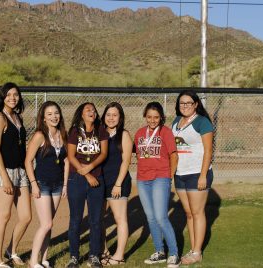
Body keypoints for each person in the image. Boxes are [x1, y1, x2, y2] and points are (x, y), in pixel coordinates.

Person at [0, 82, 31, 268]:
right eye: (8, 94)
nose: (12, 98)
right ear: (2, 97)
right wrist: (5, 178)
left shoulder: (17, 117)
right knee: (4, 215)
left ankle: (10, 251)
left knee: (26, 216)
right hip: (4, 171)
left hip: (21, 171)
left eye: (16, 94)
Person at [134, 102, 180, 268]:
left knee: (161, 217)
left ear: (161, 117)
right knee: (151, 217)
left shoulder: (165, 132)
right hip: (142, 179)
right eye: (149, 117)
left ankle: (174, 253)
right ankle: (160, 251)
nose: (152, 120)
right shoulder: (139, 133)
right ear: (145, 117)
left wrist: (169, 177)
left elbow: (174, 156)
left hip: (160, 177)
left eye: (156, 117)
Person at [25, 101, 69, 268]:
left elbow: (66, 161)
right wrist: (33, 184)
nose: (54, 116)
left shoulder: (62, 135)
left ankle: (44, 258)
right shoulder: (39, 136)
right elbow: (28, 161)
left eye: (56, 113)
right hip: (42, 184)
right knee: (46, 224)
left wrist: (65, 185)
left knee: (50, 223)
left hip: (57, 185)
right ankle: (33, 261)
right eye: (49, 114)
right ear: (43, 118)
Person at [171, 91, 214, 265]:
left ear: (196, 104)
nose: (185, 106)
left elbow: (208, 151)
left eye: (189, 103)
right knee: (189, 213)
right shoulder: (176, 121)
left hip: (197, 173)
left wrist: (203, 175)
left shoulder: (202, 122)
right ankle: (192, 248)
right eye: (182, 103)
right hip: (180, 173)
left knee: (197, 213)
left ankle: (197, 252)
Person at [66, 102, 109, 268]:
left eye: (94, 109)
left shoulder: (101, 130)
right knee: (75, 219)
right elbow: (71, 156)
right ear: (82, 114)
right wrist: (86, 174)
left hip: (97, 179)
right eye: (88, 110)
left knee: (95, 220)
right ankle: (74, 257)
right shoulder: (75, 131)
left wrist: (90, 169)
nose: (92, 112)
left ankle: (94, 255)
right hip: (77, 179)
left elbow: (103, 153)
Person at [100, 102, 132, 266]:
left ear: (120, 118)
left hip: (117, 182)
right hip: (100, 182)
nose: (111, 118)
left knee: (120, 219)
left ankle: (119, 255)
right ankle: (104, 251)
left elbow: (126, 161)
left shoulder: (124, 135)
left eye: (115, 115)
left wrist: (118, 184)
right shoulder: (99, 134)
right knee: (99, 219)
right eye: (108, 114)